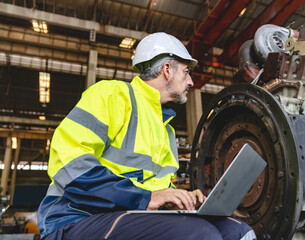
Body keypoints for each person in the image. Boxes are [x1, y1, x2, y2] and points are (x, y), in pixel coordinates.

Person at [37, 32, 257, 240]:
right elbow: (69, 162)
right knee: (199, 235)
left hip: (132, 214)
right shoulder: (112, 95)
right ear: (167, 69)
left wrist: (177, 199)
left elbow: (155, 189)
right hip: (76, 218)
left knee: (238, 232)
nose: (191, 82)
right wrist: (146, 198)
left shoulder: (166, 130)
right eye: (186, 72)